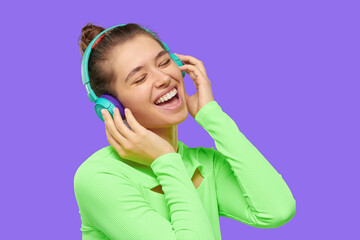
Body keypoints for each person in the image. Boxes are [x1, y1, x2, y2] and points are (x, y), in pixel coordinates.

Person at [74, 23, 296, 240]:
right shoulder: (98, 177)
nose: (163, 79)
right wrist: (165, 160)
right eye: (140, 78)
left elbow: (278, 211)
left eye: (164, 63)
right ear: (112, 106)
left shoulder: (203, 163)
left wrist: (211, 116)